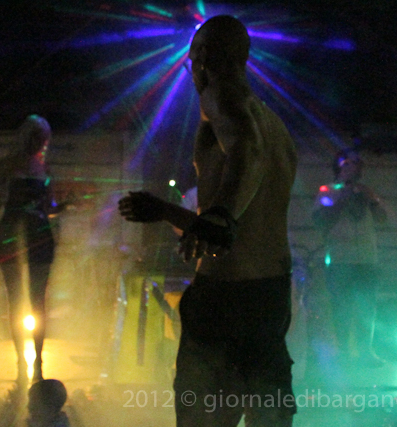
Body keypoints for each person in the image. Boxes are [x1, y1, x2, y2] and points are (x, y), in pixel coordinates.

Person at [118, 15, 297, 427]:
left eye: (193, 62)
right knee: (267, 416)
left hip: (224, 299)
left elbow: (246, 153)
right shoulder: (277, 127)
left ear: (201, 59)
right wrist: (170, 212)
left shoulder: (220, 95)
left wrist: (220, 214)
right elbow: (223, 231)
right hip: (270, 297)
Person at [0, 115, 67, 385]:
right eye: (39, 139)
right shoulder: (25, 168)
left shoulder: (28, 167)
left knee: (31, 302)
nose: (40, 144)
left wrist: (65, 206)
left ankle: (32, 366)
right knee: (25, 302)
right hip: (24, 236)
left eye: (42, 140)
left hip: (28, 237)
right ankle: (28, 365)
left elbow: (49, 208)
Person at [312, 148, 387, 368]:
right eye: (347, 163)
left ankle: (366, 352)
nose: (353, 168)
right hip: (340, 259)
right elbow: (320, 221)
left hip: (367, 259)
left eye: (356, 164)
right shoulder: (327, 191)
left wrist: (372, 200)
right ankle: (344, 352)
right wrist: (341, 199)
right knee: (341, 307)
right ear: (338, 167)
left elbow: (382, 219)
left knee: (367, 308)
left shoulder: (366, 191)